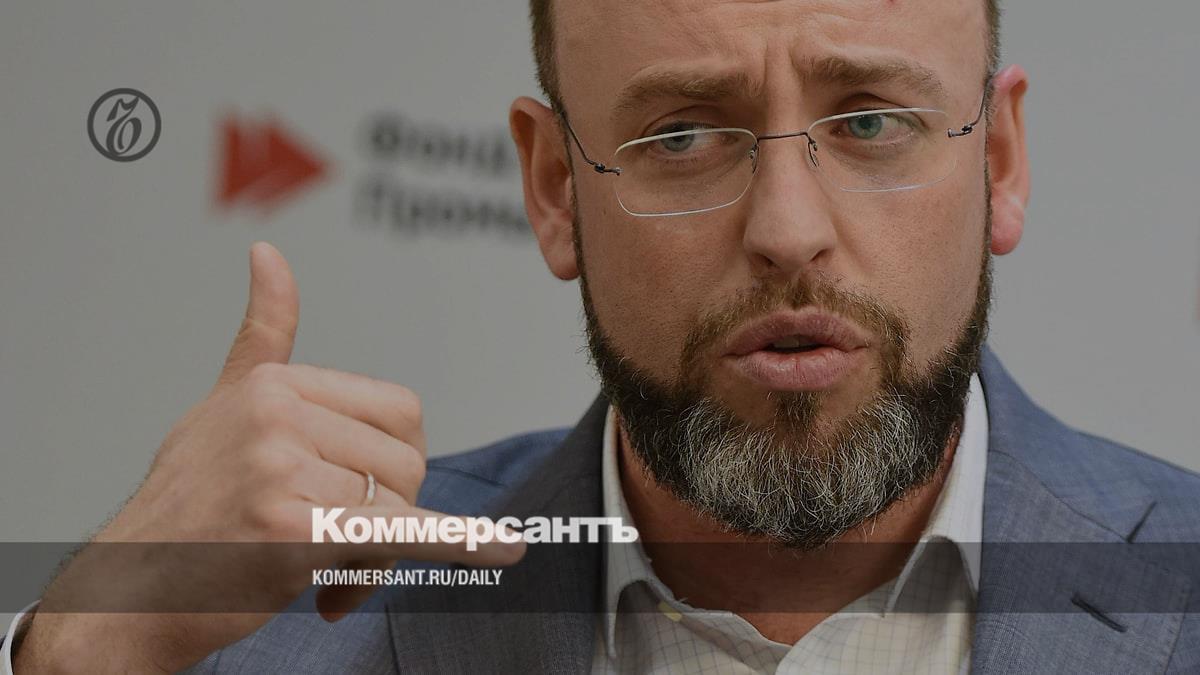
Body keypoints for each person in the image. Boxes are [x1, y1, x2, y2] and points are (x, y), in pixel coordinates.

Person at [5, 0, 1200, 672]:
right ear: (552, 189)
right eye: (682, 137)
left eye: (872, 121)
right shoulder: (270, 634)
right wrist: (85, 642)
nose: (789, 231)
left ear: (999, 162)